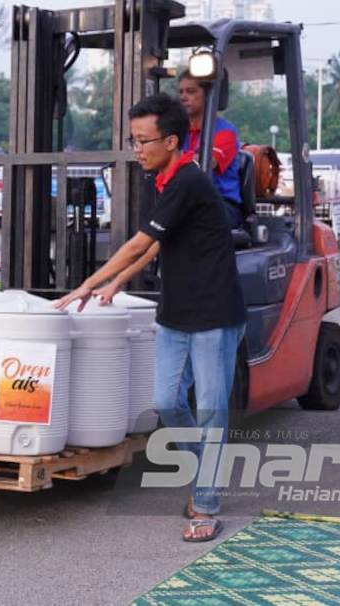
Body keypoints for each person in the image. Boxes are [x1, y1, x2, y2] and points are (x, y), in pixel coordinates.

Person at [56, 93, 245, 543]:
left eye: (144, 141)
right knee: (166, 402)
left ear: (172, 141)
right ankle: (206, 472)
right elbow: (159, 242)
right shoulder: (158, 181)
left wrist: (87, 283)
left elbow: (140, 241)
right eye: (133, 139)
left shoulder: (189, 181)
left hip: (214, 314)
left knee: (212, 410)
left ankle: (207, 502)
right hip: (177, 311)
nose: (137, 148)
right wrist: (120, 280)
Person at [178, 72, 244, 228]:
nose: (183, 97)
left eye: (191, 91)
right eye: (181, 92)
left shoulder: (224, 131)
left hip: (221, 204)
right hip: (185, 202)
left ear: (208, 95)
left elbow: (204, 163)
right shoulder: (177, 131)